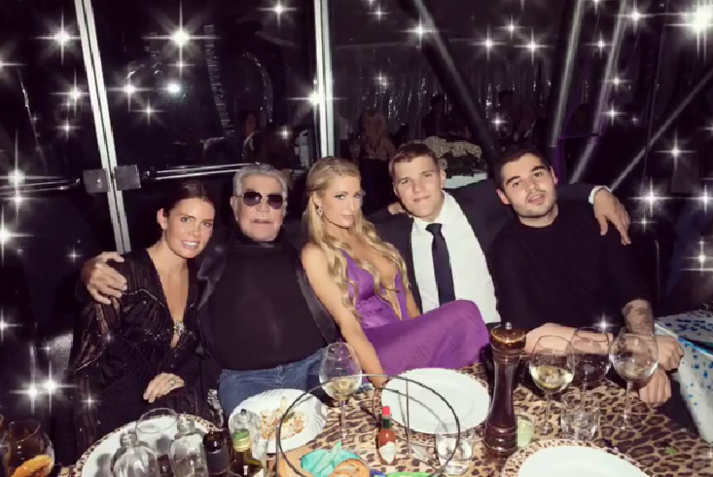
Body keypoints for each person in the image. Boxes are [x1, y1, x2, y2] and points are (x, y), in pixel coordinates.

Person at [80, 164, 339, 416]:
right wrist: (88, 271)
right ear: (234, 205)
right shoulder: (207, 250)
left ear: (283, 209)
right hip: (245, 381)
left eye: (274, 200)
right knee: (259, 443)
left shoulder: (305, 243)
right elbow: (152, 265)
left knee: (345, 426)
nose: (263, 207)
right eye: (252, 197)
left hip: (313, 366)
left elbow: (353, 242)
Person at [488, 147, 685, 410]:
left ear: (553, 176)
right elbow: (531, 337)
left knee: (678, 416)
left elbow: (633, 296)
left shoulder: (596, 220)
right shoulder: (506, 248)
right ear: (504, 197)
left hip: (620, 359)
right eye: (516, 183)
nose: (532, 187)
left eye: (537, 174)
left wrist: (645, 357)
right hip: (559, 368)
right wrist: (632, 349)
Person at [372, 142, 631, 327]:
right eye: (405, 182)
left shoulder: (481, 201)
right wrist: (390, 209)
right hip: (435, 344)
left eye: (426, 176)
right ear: (395, 190)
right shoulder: (392, 231)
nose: (417, 188)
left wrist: (596, 193)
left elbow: (534, 194)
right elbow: (356, 226)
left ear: (442, 177)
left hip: (496, 337)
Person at [301, 158, 489, 387]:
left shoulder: (368, 235)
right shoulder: (316, 253)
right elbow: (348, 326)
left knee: (462, 328)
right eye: (340, 196)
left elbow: (405, 297)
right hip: (374, 350)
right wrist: (382, 384)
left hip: (404, 339)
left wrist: (425, 339)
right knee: (464, 312)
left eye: (356, 196)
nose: (351, 207)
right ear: (318, 199)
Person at [66, 181, 216, 458]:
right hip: (114, 420)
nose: (196, 232)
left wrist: (179, 381)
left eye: (206, 224)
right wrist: (88, 455)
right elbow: (85, 372)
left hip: (168, 415)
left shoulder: (201, 280)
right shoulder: (117, 276)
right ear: (163, 218)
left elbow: (196, 356)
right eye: (186, 219)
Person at [357, 110, 397, 215]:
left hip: (381, 180)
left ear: (377, 124)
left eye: (368, 123)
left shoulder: (384, 140)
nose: (365, 125)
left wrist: (380, 158)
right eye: (364, 122)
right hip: (367, 180)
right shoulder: (363, 140)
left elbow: (395, 157)